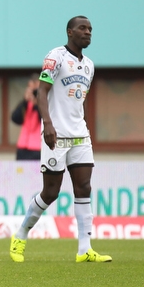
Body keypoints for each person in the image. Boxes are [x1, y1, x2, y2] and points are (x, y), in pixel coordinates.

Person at [10, 16, 111, 264]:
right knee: (51, 192)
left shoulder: (89, 65)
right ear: (69, 32)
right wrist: (48, 124)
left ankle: (84, 250)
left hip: (80, 135)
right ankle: (20, 234)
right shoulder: (56, 56)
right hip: (57, 135)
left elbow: (78, 100)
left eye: (90, 29)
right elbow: (42, 92)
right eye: (82, 28)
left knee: (84, 187)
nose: (87, 32)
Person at [11, 74, 42, 160]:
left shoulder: (45, 104)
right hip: (23, 147)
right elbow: (15, 119)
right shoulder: (26, 104)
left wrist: (38, 104)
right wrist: (25, 101)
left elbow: (44, 120)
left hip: (38, 148)